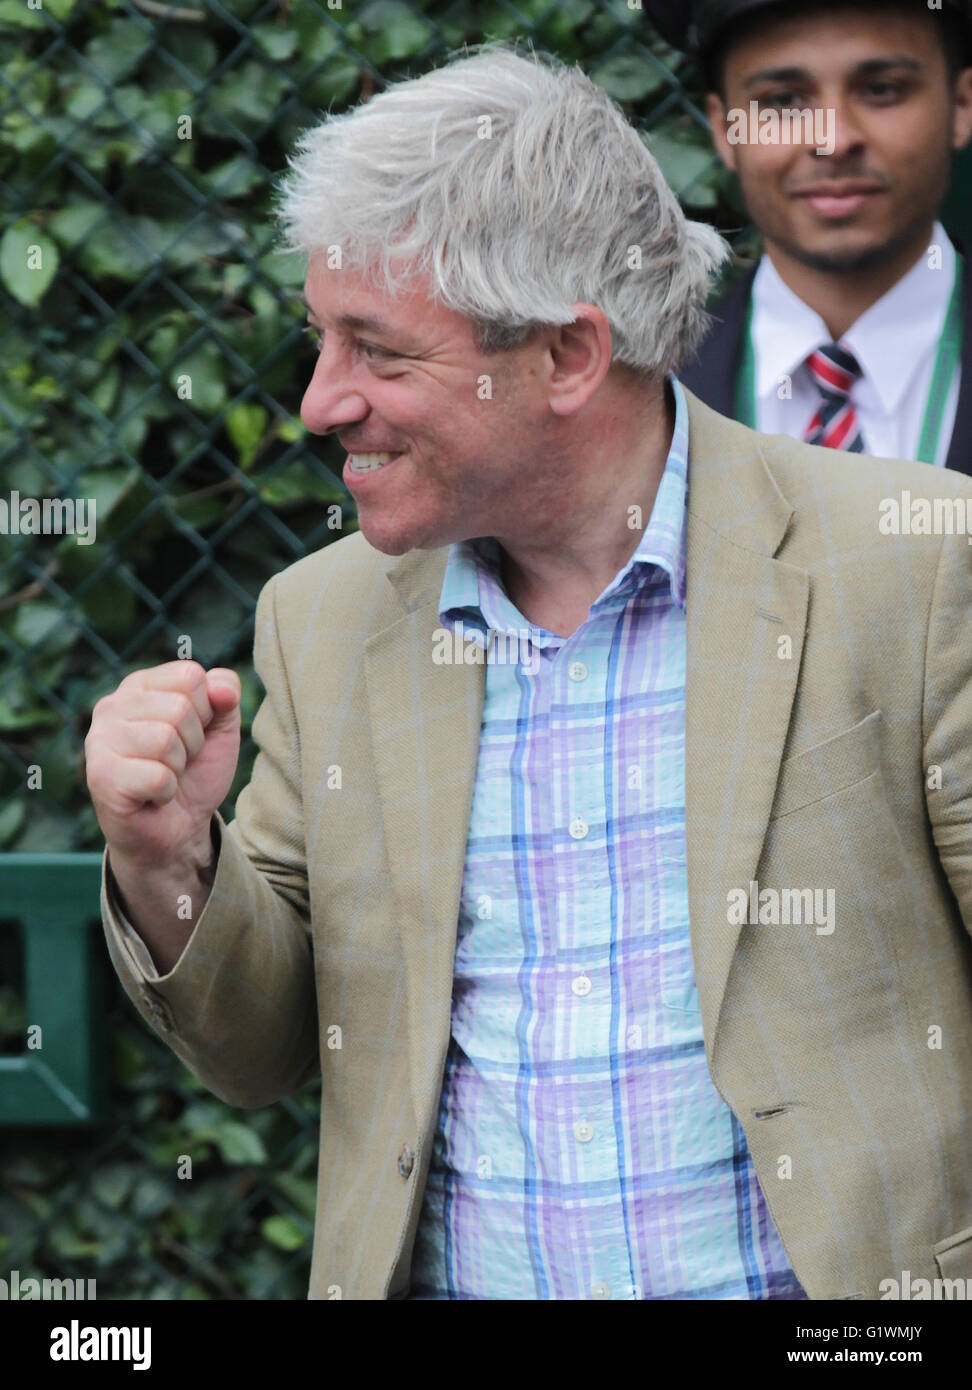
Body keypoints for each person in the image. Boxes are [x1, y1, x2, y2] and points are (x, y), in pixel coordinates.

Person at [84, 42, 972, 1301]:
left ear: (566, 356)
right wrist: (170, 856)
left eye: (379, 353)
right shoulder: (321, 620)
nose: (319, 403)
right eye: (319, 341)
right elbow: (264, 1043)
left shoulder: (915, 566)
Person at [648, 0, 972, 474]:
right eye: (783, 101)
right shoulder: (650, 397)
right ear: (723, 128)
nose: (833, 141)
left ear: (961, 106)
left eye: (881, 90)